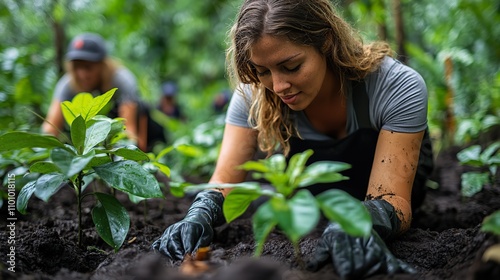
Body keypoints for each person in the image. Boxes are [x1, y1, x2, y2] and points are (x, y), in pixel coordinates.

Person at [152, 0, 434, 278]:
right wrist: (200, 214)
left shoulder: (395, 86)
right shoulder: (254, 97)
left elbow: (393, 198)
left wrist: (359, 222)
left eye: (291, 66)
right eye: (263, 71)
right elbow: (225, 182)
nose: (278, 86)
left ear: (326, 41)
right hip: (317, 205)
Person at [42, 33, 149, 151]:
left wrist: (126, 157)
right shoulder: (67, 84)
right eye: (77, 67)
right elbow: (50, 127)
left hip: (125, 128)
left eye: (88, 67)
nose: (82, 75)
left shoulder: (122, 80)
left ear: (102, 65)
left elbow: (129, 129)